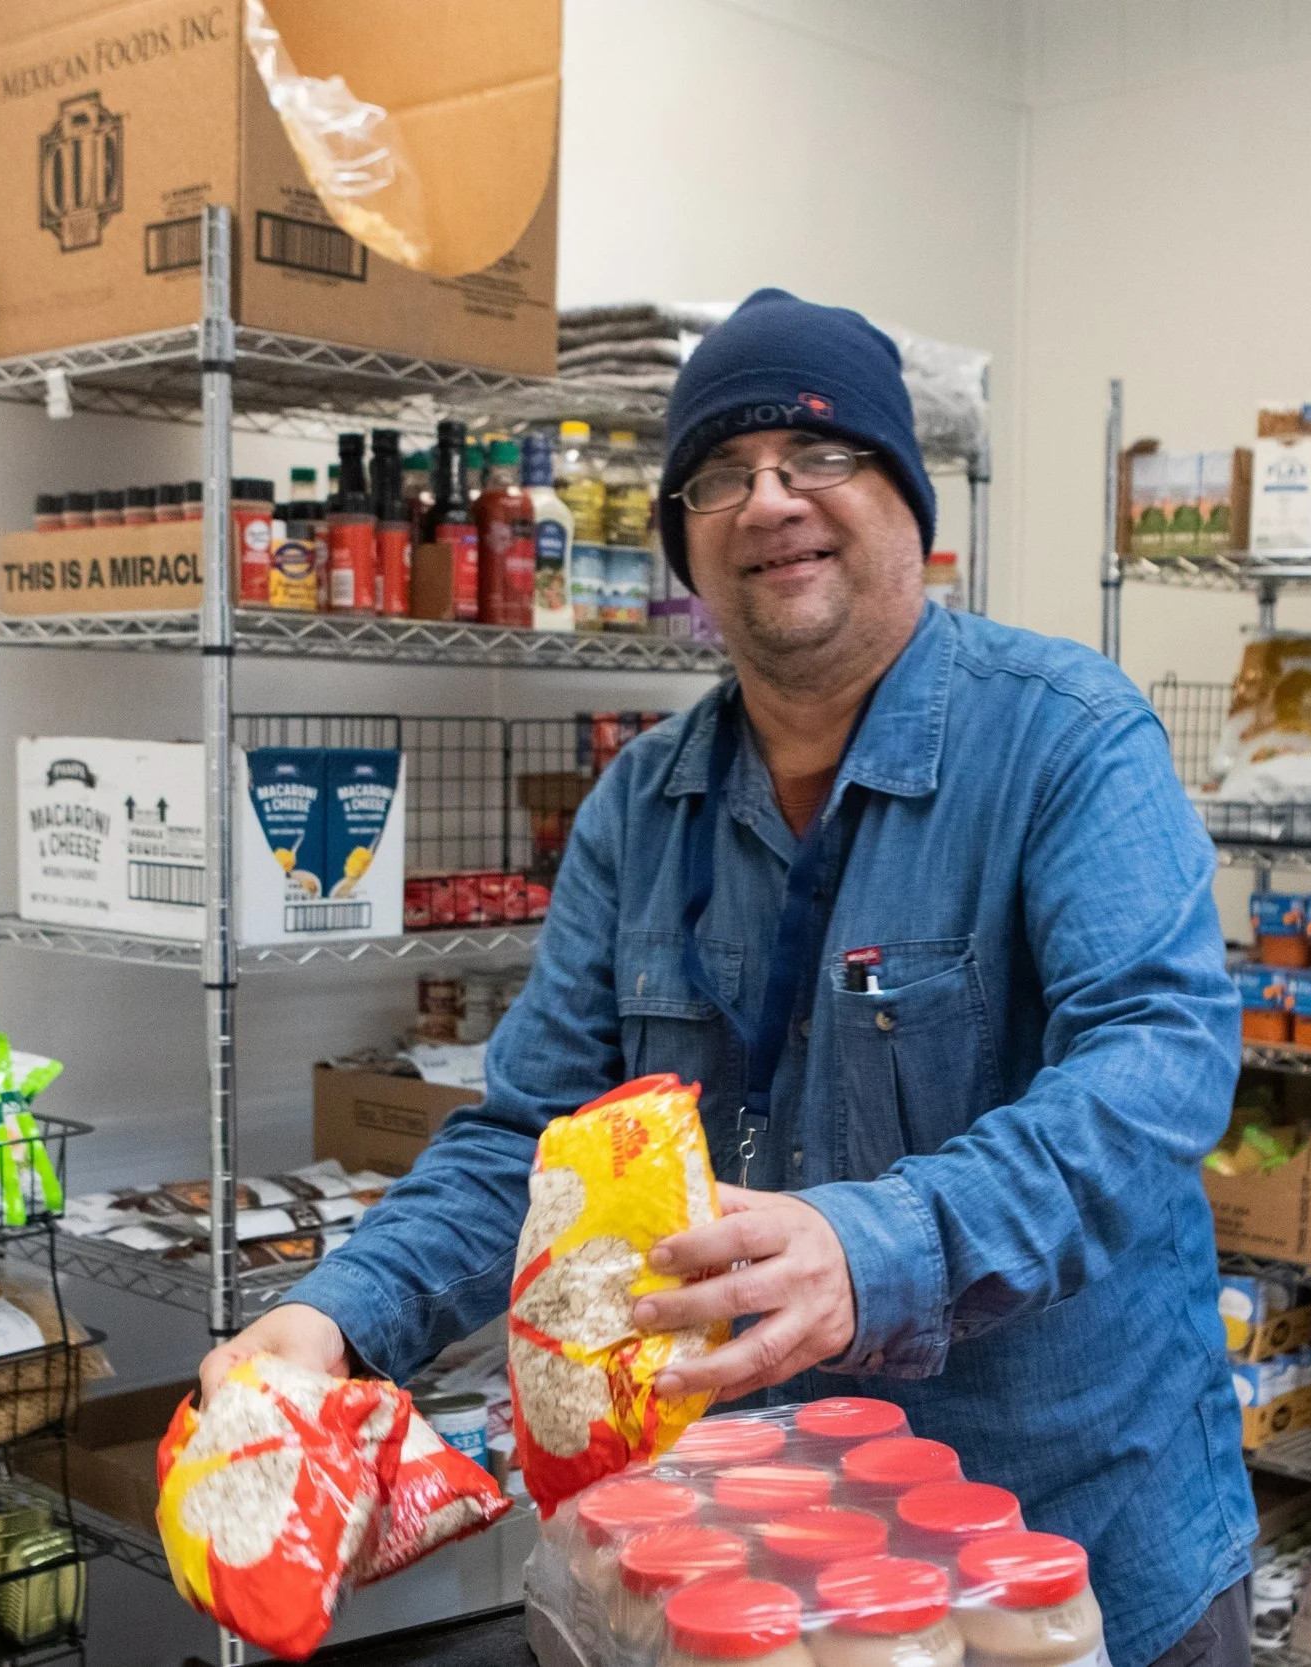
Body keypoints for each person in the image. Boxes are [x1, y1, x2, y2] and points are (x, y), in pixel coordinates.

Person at [202, 288, 1252, 1667]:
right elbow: (529, 1141)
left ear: (911, 508)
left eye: (821, 455)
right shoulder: (644, 807)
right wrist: (328, 1317)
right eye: (722, 472)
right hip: (760, 1577)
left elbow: (1160, 1061)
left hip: (1062, 1562)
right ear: (690, 545)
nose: (770, 499)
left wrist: (879, 1245)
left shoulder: (1064, 740)